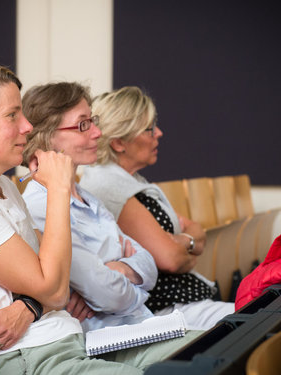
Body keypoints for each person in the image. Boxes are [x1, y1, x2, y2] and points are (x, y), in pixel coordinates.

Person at [0, 63, 147, 375]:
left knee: (204, 352)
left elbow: (52, 282)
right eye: (12, 115)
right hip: (20, 359)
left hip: (60, 343)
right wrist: (59, 189)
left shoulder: (4, 187)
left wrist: (28, 306)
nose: (27, 126)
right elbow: (56, 289)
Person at [21, 81, 202, 368]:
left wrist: (118, 271)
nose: (98, 132)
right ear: (46, 138)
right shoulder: (39, 207)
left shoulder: (89, 199)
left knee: (227, 343)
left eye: (93, 121)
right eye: (83, 125)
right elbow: (110, 296)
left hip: (141, 324)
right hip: (108, 341)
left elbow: (149, 265)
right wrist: (124, 277)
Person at [79, 86, 235, 329]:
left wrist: (183, 241)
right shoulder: (109, 185)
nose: (159, 133)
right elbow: (171, 259)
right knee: (263, 321)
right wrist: (183, 244)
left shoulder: (132, 181)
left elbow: (194, 229)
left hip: (180, 301)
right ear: (120, 142)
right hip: (161, 309)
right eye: (149, 128)